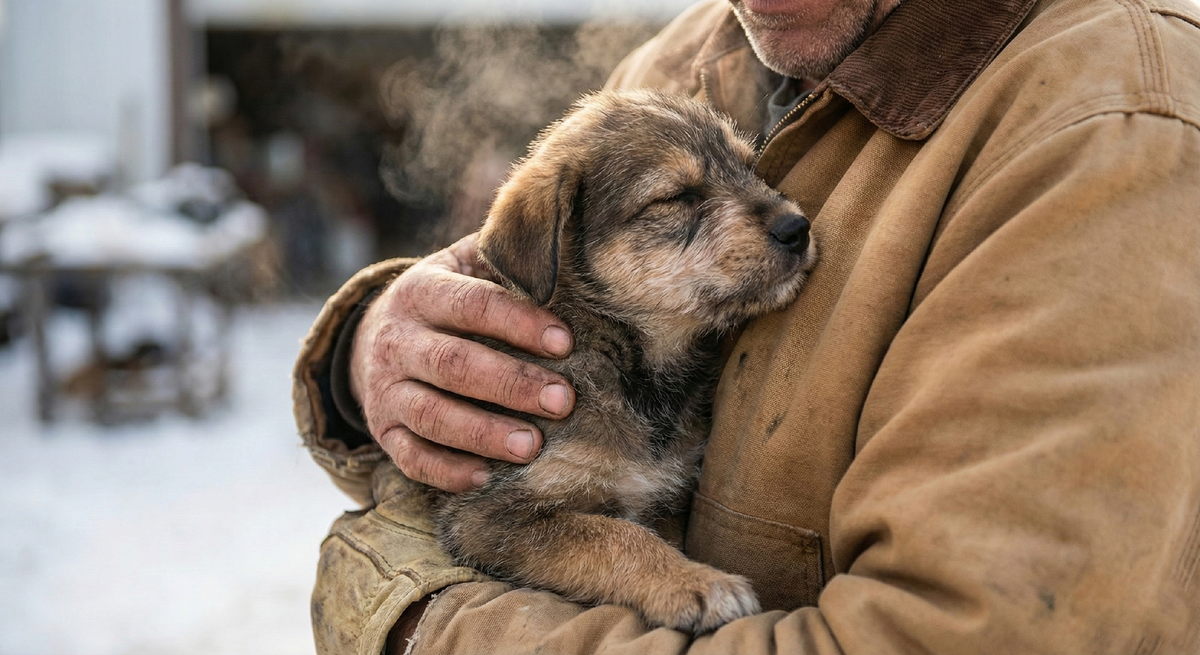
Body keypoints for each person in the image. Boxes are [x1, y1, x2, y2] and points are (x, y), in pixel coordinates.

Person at [292, 0, 1200, 652]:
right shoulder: (707, 51)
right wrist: (372, 341)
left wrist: (418, 618)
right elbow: (516, 261)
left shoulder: (1106, 126)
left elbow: (961, 628)